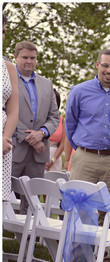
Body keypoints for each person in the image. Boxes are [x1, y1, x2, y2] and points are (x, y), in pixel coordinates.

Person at [64, 49, 110, 189]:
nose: (109, 70)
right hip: (85, 159)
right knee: (80, 206)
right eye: (105, 65)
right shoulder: (78, 91)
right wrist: (81, 149)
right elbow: (70, 124)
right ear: (97, 65)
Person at [12, 41, 58, 193]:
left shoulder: (47, 84)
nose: (29, 61)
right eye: (25, 57)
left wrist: (41, 133)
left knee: (32, 203)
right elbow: (5, 113)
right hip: (13, 150)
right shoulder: (6, 81)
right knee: (5, 200)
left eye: (32, 58)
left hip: (39, 154)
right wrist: (30, 139)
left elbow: (54, 117)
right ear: (15, 57)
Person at [2, 31, 19, 202]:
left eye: (3, 31)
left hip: (3, 145)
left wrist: (5, 138)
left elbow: (13, 110)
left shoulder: (8, 67)